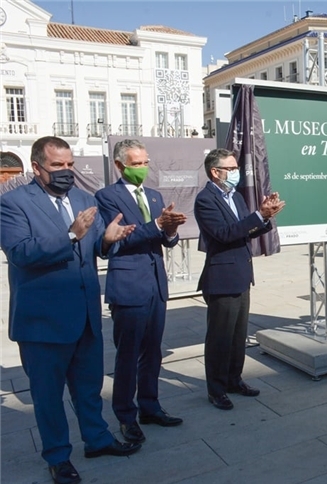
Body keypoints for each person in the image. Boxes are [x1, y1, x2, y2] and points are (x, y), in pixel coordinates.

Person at [0, 136, 140, 484]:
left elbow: (92, 251)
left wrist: (107, 239)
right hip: (43, 322)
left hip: (86, 316)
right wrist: (71, 236)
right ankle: (58, 456)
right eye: (57, 166)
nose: (66, 172)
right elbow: (21, 253)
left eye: (70, 165)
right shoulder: (12, 204)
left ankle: (97, 439)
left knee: (89, 387)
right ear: (37, 168)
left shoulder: (83, 198)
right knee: (48, 397)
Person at [95, 139, 187, 445]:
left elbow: (165, 239)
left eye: (146, 162)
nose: (143, 168)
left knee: (153, 352)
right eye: (137, 163)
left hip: (156, 285)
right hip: (128, 285)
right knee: (128, 355)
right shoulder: (106, 197)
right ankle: (126, 415)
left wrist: (170, 231)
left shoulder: (154, 195)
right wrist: (157, 225)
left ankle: (150, 406)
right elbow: (117, 242)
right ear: (120, 165)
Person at [194, 148, 285, 410]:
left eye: (236, 169)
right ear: (216, 172)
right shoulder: (206, 200)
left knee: (237, 336)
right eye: (231, 169)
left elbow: (245, 231)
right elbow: (224, 233)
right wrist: (259, 216)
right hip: (221, 277)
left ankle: (234, 379)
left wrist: (264, 217)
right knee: (220, 338)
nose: (236, 173)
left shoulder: (237, 197)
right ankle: (217, 389)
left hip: (242, 275)